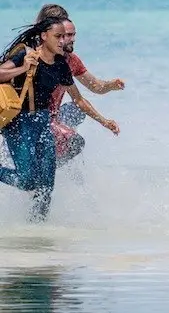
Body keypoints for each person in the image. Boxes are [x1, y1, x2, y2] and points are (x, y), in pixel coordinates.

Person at [0, 16, 120, 221]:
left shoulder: (62, 66)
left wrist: (103, 121)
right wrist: (23, 69)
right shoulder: (26, 54)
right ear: (44, 36)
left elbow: (79, 99)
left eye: (65, 36)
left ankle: (37, 230)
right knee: (27, 180)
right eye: (58, 36)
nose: (63, 41)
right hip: (20, 124)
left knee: (46, 185)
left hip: (44, 123)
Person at [33, 4, 124, 167]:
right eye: (66, 35)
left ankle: (57, 150)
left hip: (54, 116)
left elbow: (95, 86)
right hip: (37, 119)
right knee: (76, 142)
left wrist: (111, 85)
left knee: (76, 112)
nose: (71, 39)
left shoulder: (70, 60)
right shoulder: (36, 57)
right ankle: (45, 167)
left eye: (72, 34)